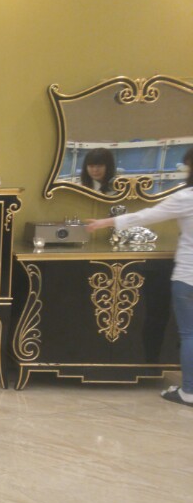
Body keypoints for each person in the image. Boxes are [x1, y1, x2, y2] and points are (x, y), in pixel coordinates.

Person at [86, 147, 193, 407]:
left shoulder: (185, 198)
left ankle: (189, 391)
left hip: (188, 275)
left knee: (189, 334)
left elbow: (146, 216)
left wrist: (105, 223)